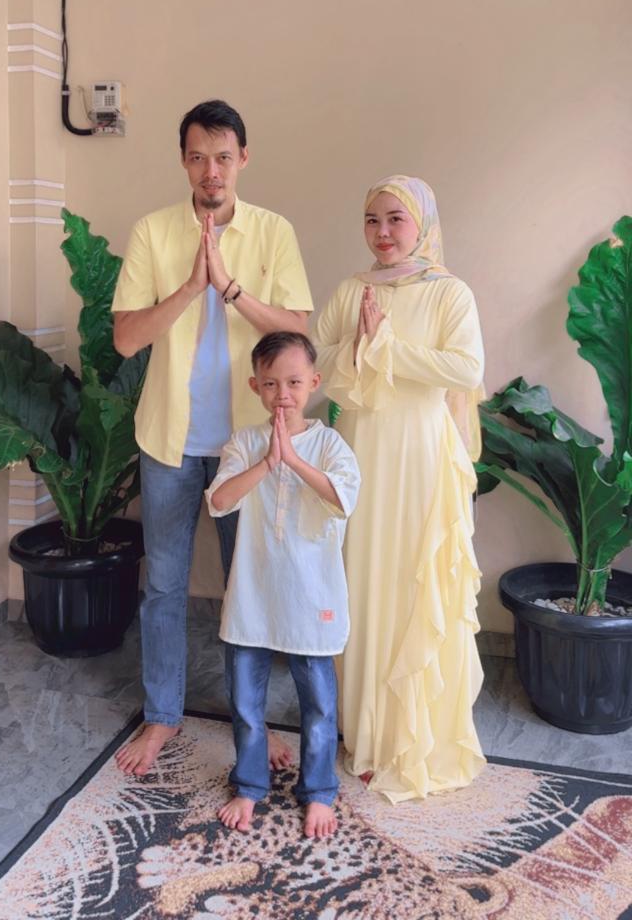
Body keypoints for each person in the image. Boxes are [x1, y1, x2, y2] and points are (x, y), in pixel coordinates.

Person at [112, 100, 314, 777]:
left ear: (243, 159)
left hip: (246, 446)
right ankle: (162, 717)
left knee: (246, 589)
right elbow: (126, 338)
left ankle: (251, 725)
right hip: (168, 441)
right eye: (198, 157)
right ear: (183, 161)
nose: (211, 171)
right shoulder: (153, 231)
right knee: (164, 587)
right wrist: (190, 287)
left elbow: (299, 330)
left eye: (223, 157)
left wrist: (227, 288)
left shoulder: (274, 232)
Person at [314, 175, 486, 805]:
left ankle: (413, 742)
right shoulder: (350, 290)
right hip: (361, 453)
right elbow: (315, 359)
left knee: (412, 584)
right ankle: (363, 735)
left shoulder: (450, 292)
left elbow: (466, 368)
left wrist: (387, 345)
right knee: (360, 579)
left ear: (422, 224)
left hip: (420, 459)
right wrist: (358, 344)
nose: (382, 232)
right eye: (372, 220)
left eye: (396, 219)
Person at [206, 331, 360, 838]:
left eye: (294, 382)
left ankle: (318, 792)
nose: (283, 395)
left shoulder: (331, 444)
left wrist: (292, 460)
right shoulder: (244, 442)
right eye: (270, 384)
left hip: (311, 595)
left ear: (314, 382)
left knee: (318, 704)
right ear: (255, 386)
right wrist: (268, 462)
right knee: (245, 702)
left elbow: (342, 500)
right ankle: (249, 785)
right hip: (252, 594)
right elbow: (219, 501)